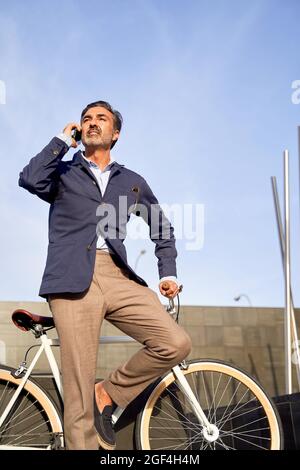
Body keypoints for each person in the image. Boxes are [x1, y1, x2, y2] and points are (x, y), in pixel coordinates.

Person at [19, 100, 192, 450]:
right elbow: (29, 178)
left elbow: (162, 228)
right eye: (86, 119)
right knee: (78, 388)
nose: (92, 123)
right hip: (71, 280)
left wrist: (167, 272)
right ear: (79, 130)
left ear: (115, 134)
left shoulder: (131, 182)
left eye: (101, 119)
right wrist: (61, 141)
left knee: (175, 343)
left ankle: (109, 392)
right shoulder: (62, 172)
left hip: (117, 276)